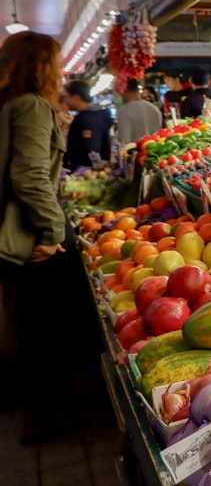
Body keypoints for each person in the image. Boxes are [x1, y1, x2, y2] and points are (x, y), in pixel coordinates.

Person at [0, 31, 101, 443]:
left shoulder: (9, 104)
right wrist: (50, 232)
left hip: (12, 234)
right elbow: (30, 176)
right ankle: (52, 416)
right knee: (50, 328)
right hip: (26, 236)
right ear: (41, 65)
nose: (61, 73)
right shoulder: (32, 106)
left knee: (30, 327)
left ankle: (41, 411)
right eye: (55, 63)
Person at [64, 79, 113, 170]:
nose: (65, 101)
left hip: (84, 173)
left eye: (66, 97)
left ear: (76, 98)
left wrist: (83, 171)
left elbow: (91, 149)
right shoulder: (97, 115)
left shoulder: (87, 120)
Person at [116, 78, 163, 143]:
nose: (121, 96)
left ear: (126, 91)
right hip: (156, 150)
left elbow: (124, 141)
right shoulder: (154, 109)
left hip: (136, 151)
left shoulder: (124, 111)